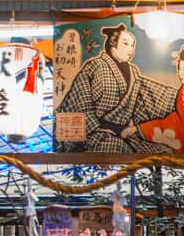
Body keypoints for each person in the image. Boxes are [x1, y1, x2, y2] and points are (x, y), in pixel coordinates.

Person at [56, 24, 177, 153]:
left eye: (132, 45)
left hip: (122, 133)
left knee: (164, 151)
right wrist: (96, 128)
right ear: (113, 44)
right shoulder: (95, 66)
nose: (130, 49)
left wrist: (178, 97)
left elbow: (149, 91)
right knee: (115, 147)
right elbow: (80, 101)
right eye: (126, 44)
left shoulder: (133, 71)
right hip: (94, 133)